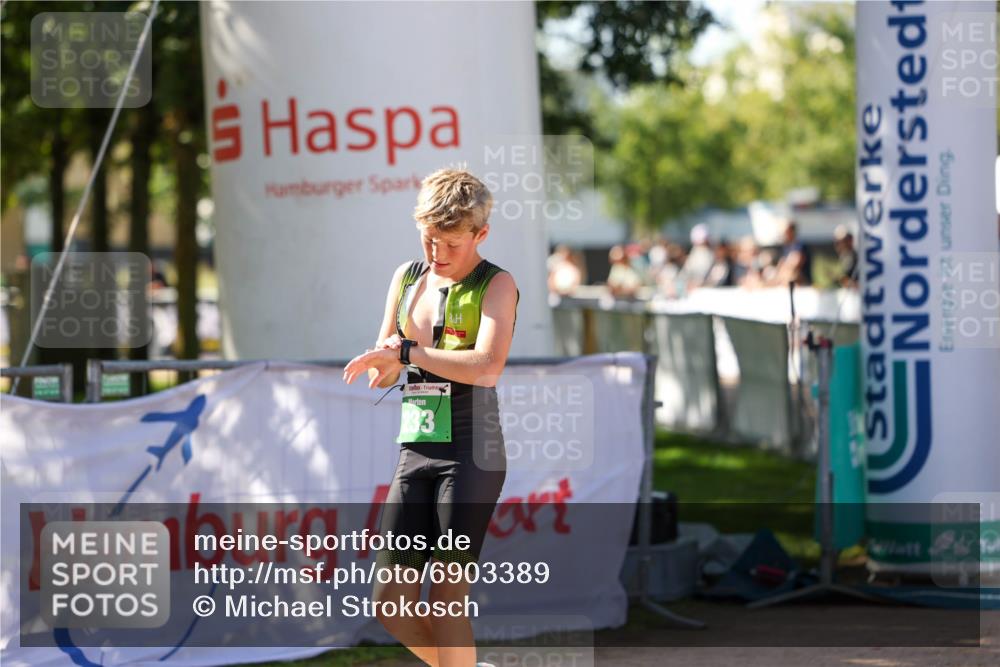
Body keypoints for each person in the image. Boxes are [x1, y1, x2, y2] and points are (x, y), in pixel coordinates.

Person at [343, 168, 518, 667]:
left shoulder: (497, 283)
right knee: (388, 602)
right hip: (415, 448)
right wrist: (382, 364)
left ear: (480, 234)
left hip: (472, 449)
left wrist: (408, 352)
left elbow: (486, 369)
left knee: (445, 595)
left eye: (450, 243)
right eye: (428, 239)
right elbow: (391, 355)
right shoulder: (407, 276)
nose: (436, 253)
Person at [773, 219, 813, 286]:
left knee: (790, 275)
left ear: (792, 231)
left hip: (802, 280)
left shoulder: (800, 246)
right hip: (787, 277)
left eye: (785, 231)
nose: (783, 234)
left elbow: (795, 264)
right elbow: (780, 265)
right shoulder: (786, 247)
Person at [833, 225, 859, 289]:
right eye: (837, 242)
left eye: (844, 241)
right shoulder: (842, 257)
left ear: (850, 240)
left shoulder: (854, 257)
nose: (840, 244)